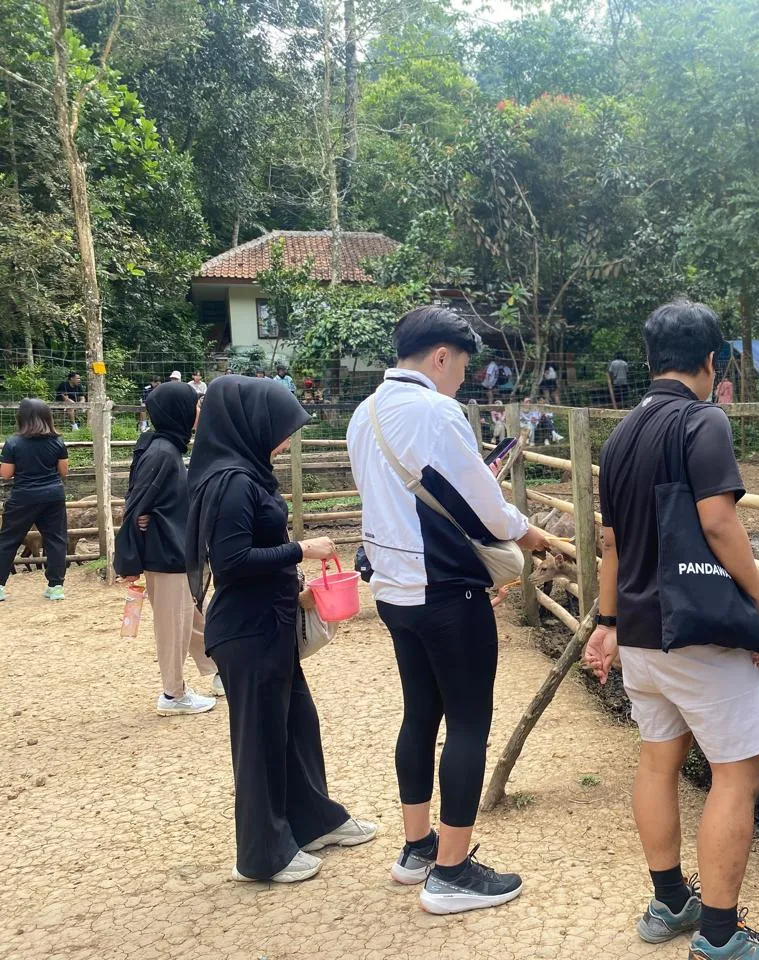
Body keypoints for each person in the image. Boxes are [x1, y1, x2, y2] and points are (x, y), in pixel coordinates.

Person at [585, 301, 759, 960]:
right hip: (699, 634)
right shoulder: (703, 420)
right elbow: (717, 521)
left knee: (658, 759)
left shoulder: (620, 435)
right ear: (712, 361)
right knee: (738, 773)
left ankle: (670, 900)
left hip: (640, 635)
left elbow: (612, 543)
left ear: (650, 361)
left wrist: (608, 622)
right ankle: (720, 935)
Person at [347, 306, 555, 913]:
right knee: (468, 722)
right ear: (441, 356)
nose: (463, 379)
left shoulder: (365, 413)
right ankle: (453, 872)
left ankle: (418, 848)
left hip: (393, 590)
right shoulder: (436, 412)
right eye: (463, 366)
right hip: (444, 589)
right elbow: (483, 502)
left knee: (420, 714)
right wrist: (527, 533)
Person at [187, 375, 376, 884]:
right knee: (260, 742)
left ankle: (313, 821)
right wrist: (301, 550)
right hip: (247, 632)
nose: (285, 440)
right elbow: (232, 561)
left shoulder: (246, 473)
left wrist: (296, 593)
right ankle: (261, 855)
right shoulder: (232, 482)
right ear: (249, 425)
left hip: (270, 622)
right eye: (278, 429)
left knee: (296, 727)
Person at [115, 382, 219, 716]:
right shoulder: (162, 453)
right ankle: (173, 695)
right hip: (167, 553)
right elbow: (136, 504)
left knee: (192, 619)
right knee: (174, 625)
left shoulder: (164, 447)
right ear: (180, 410)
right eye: (195, 405)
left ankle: (221, 671)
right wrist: (129, 557)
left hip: (175, 549)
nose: (199, 411)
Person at [0, 399, 69, 602]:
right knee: (56, 539)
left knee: (8, 540)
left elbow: (6, 474)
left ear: (21, 417)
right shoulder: (57, 442)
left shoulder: (13, 442)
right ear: (47, 417)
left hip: (24, 496)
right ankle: (56, 587)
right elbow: (63, 471)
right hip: (53, 495)